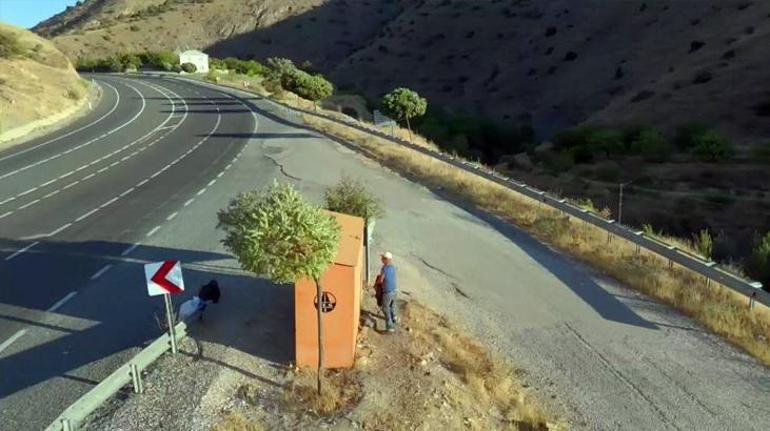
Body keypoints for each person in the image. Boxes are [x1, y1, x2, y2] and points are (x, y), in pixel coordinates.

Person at [379, 252, 398, 332]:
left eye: (383, 258)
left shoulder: (384, 268)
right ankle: (394, 318)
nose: (381, 259)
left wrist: (378, 283)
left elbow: (381, 280)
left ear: (387, 260)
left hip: (388, 292)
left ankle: (390, 326)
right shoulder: (393, 267)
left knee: (385, 307)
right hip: (395, 290)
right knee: (392, 305)